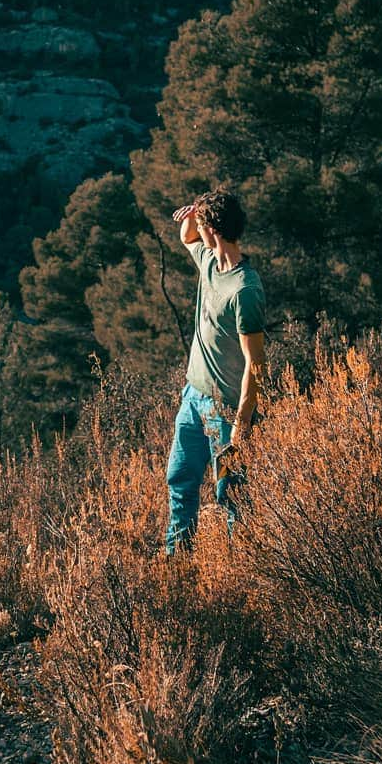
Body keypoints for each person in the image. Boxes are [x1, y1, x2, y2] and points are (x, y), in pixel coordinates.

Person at [165, 189, 265, 554]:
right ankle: (176, 564)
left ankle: (240, 572)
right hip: (193, 398)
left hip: (227, 412)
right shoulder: (208, 260)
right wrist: (194, 213)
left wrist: (241, 424)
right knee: (180, 482)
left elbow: (256, 365)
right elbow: (186, 236)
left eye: (203, 224)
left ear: (213, 230)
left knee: (233, 496)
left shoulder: (245, 290)